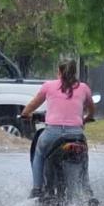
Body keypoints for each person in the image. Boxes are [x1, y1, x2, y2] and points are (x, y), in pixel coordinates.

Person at [20, 58, 96, 198]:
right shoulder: (84, 88)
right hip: (77, 135)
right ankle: (87, 190)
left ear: (59, 71)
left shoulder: (48, 86)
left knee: (39, 153)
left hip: (52, 133)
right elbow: (92, 109)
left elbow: (33, 104)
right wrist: (86, 118)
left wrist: (25, 113)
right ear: (75, 72)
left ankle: (37, 188)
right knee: (84, 158)